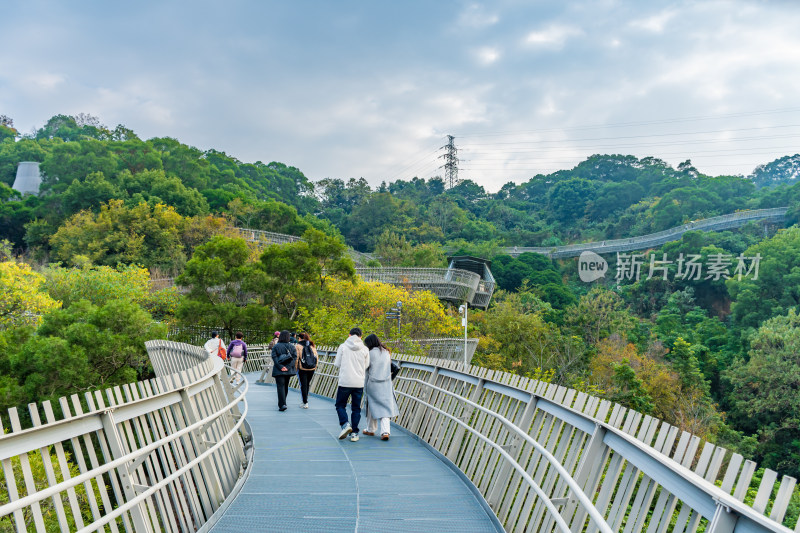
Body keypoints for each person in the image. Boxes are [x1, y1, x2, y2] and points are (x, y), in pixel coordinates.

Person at [334, 327, 370, 442]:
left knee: (340, 405)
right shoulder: (365, 349)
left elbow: (337, 363)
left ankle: (345, 424)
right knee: (356, 408)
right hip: (359, 383)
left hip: (345, 381)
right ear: (361, 336)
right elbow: (366, 365)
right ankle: (354, 433)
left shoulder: (343, 347)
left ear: (349, 335)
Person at [362, 334, 399, 440]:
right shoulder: (386, 352)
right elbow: (393, 367)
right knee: (385, 408)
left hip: (373, 384)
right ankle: (385, 432)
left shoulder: (370, 353)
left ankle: (371, 429)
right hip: (386, 384)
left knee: (371, 406)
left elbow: (365, 368)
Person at [270, 330, 297, 411]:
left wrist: (280, 366)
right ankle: (284, 403)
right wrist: (288, 367)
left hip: (279, 370)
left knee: (280, 386)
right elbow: (294, 358)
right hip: (288, 370)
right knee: (285, 386)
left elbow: (274, 357)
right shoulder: (292, 347)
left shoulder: (276, 346)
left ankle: (282, 404)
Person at [295, 332, 318, 408]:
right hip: (312, 368)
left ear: (299, 338)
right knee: (307, 384)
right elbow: (316, 357)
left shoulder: (298, 346)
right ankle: (305, 401)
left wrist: (295, 368)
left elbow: (296, 358)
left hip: (302, 368)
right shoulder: (312, 345)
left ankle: (305, 402)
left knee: (303, 385)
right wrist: (315, 367)